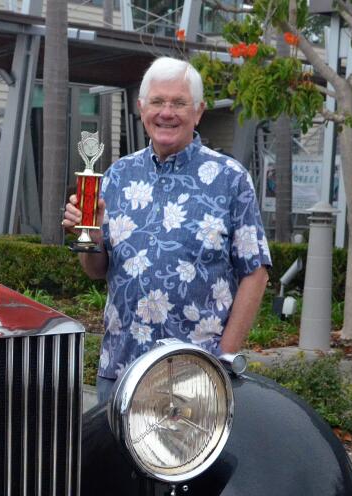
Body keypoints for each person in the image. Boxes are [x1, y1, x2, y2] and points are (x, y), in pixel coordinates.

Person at [63, 57, 271, 403]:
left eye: (179, 102)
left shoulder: (230, 179)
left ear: (199, 111)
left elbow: (256, 273)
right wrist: (92, 236)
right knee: (113, 460)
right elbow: (97, 271)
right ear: (141, 107)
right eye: (158, 102)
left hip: (196, 377)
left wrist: (224, 359)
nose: (167, 112)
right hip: (121, 372)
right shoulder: (117, 176)